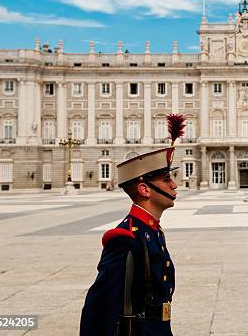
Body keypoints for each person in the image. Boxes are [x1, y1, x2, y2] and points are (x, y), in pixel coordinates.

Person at [80, 114, 186, 335]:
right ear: (145, 189)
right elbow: (98, 309)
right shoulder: (125, 239)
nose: (175, 185)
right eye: (167, 180)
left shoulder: (152, 231)